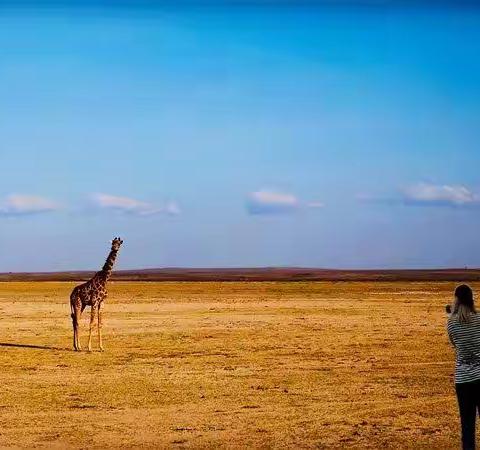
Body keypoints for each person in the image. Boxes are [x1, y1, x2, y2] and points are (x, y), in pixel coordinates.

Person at [447, 284, 480, 450]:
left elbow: (455, 345)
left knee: (467, 426)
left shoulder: (451, 323)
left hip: (463, 379)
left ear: (457, 300)